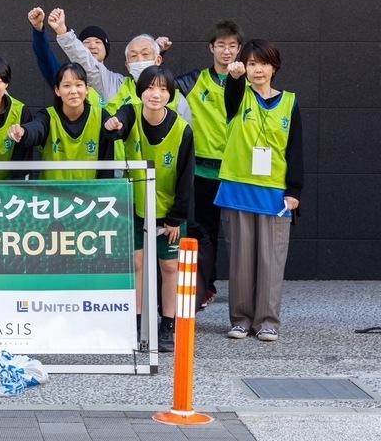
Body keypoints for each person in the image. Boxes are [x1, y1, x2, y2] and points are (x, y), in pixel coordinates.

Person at [215, 39, 302, 343]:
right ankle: (240, 320)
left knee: (271, 260)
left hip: (275, 193)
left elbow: (296, 150)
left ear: (274, 67)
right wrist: (234, 77)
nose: (257, 69)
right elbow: (232, 94)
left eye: (263, 63)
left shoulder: (290, 102)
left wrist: (294, 191)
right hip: (239, 189)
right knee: (241, 259)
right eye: (251, 63)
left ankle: (267, 321)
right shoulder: (239, 96)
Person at [105, 66, 194, 352]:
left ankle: (167, 324)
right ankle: (136, 323)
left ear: (170, 94)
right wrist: (114, 125)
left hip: (168, 211)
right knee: (136, 265)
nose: (156, 94)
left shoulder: (182, 129)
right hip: (134, 206)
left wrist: (176, 218)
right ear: (139, 91)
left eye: (163, 89)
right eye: (150, 88)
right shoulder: (130, 114)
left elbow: (185, 177)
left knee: (169, 266)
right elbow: (118, 123)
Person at [169, 21, 244, 306]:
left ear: (239, 49)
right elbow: (158, 88)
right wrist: (157, 52)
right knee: (206, 232)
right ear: (211, 48)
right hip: (203, 171)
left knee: (240, 235)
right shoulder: (192, 81)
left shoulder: (249, 80)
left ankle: (243, 291)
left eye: (232, 46)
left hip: (239, 171)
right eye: (221, 45)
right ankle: (207, 287)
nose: (227, 51)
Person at [47, 8, 191, 122]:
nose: (140, 60)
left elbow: (187, 142)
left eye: (145, 54)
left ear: (158, 60)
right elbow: (87, 62)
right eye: (133, 56)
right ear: (128, 66)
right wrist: (63, 32)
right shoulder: (115, 86)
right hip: (123, 160)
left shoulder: (177, 99)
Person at [8, 62, 116, 180]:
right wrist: (24, 131)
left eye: (78, 85)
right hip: (52, 196)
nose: (73, 91)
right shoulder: (47, 116)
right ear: (57, 90)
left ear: (87, 88)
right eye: (66, 86)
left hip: (88, 196)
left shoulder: (101, 116)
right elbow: (37, 128)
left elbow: (107, 168)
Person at [28, 6, 109, 108]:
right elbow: (45, 57)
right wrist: (38, 29)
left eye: (98, 42)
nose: (92, 46)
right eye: (86, 42)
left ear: (106, 50)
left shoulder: (115, 82)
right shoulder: (65, 76)